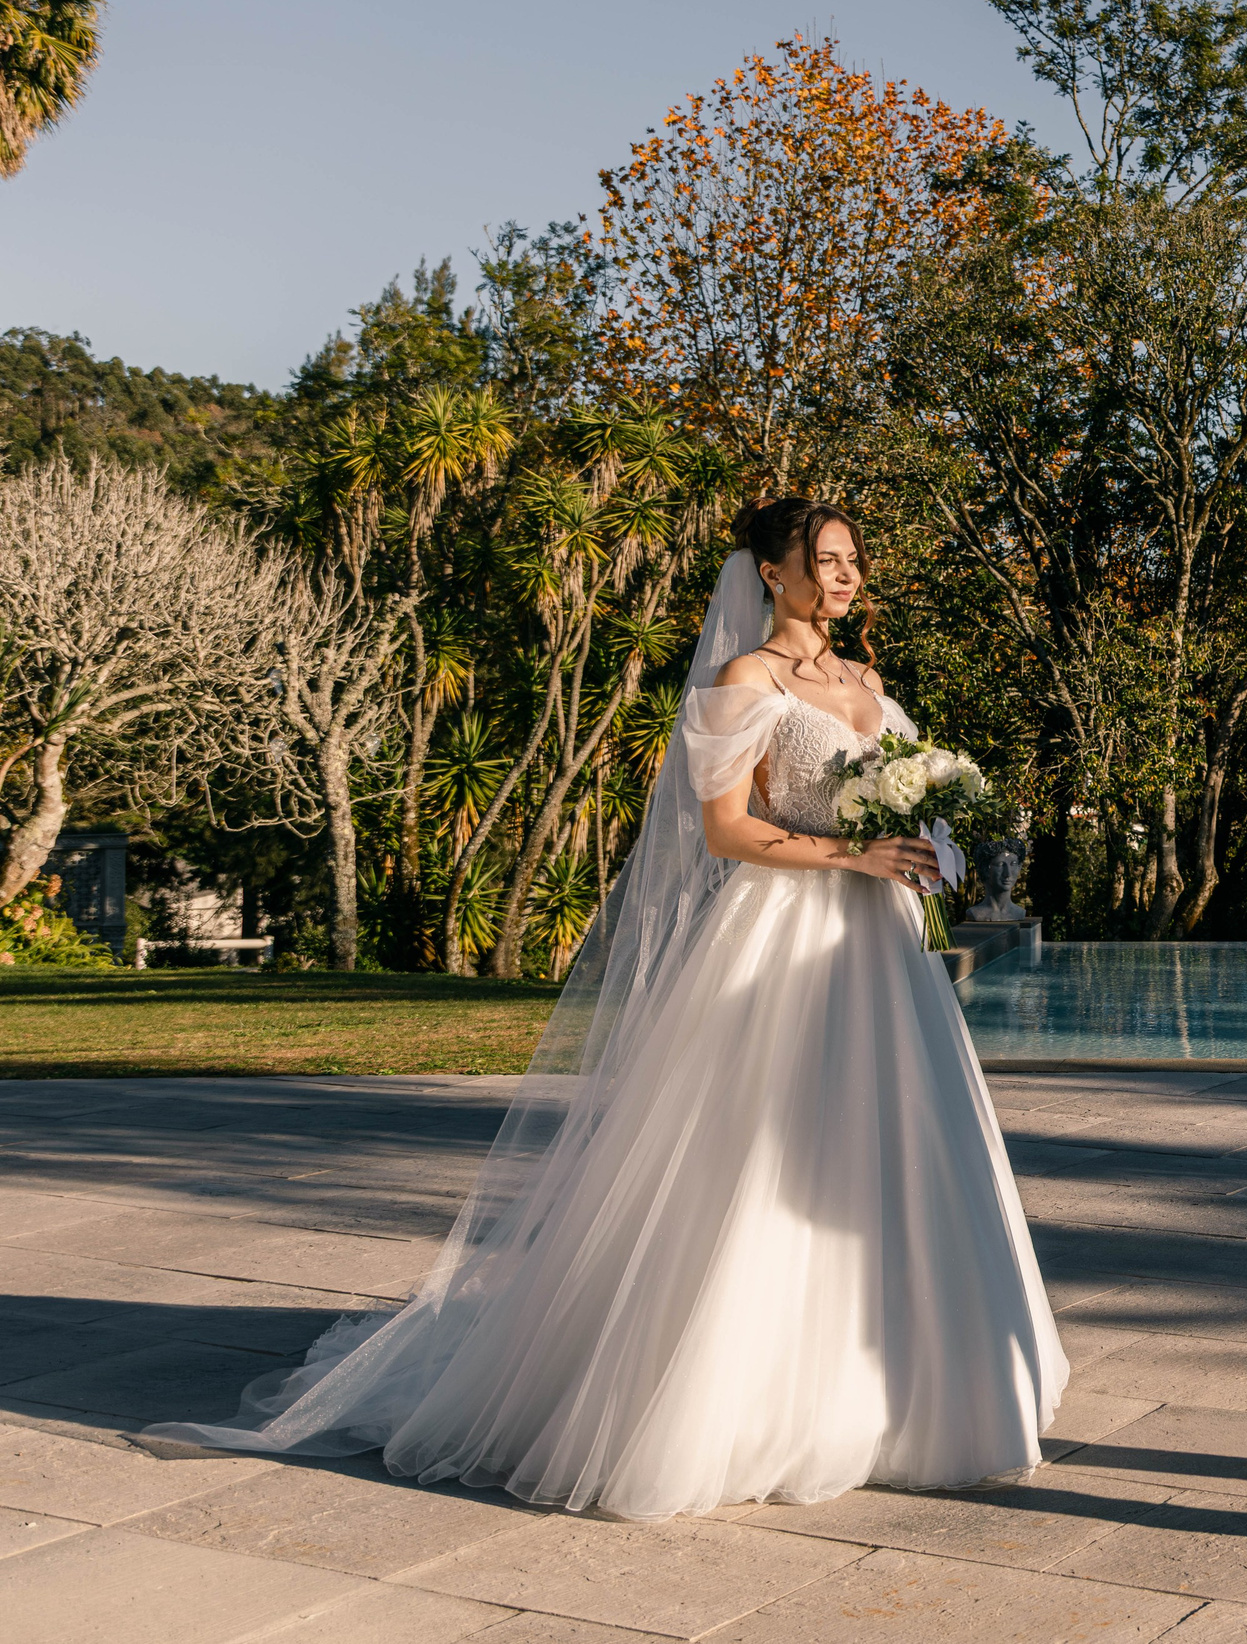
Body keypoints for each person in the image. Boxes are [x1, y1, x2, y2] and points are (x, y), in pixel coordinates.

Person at [148, 496, 1067, 1520]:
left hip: (883, 946)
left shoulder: (869, 682)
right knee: (757, 1158)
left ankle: (915, 1391)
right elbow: (726, 830)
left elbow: (911, 804)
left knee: (894, 1142)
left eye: (853, 557)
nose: (845, 575)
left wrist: (927, 844)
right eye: (825, 558)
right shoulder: (745, 680)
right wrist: (852, 852)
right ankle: (731, 1399)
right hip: (785, 935)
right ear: (771, 571)